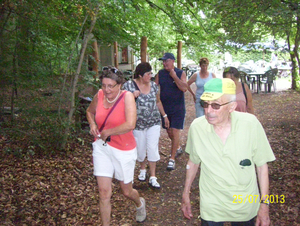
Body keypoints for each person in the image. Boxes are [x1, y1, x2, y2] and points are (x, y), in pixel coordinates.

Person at [181, 78, 275, 226]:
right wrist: (186, 193)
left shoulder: (251, 125)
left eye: (216, 105)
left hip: (245, 205)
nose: (208, 111)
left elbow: (262, 166)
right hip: (212, 206)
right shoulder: (197, 127)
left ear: (232, 107)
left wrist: (264, 204)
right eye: (205, 104)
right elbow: (193, 162)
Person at [86, 66, 146, 225]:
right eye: (104, 85)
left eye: (110, 86)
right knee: (104, 193)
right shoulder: (99, 95)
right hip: (102, 148)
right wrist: (92, 124)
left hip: (123, 149)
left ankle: (139, 203)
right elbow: (89, 112)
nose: (106, 90)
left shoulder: (127, 98)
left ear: (119, 85)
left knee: (126, 191)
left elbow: (130, 124)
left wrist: (108, 132)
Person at [123, 62, 169, 189]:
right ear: (140, 75)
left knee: (152, 148)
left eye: (150, 73)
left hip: (153, 122)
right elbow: (121, 103)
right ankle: (142, 169)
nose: (150, 76)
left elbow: (158, 101)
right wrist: (132, 96)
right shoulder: (128, 85)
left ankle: (153, 177)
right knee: (141, 149)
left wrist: (164, 116)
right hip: (137, 124)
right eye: (148, 74)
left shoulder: (154, 86)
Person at [155, 53, 188, 171]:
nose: (164, 63)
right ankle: (177, 147)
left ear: (173, 61)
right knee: (169, 132)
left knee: (174, 132)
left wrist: (174, 76)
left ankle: (172, 159)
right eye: (163, 61)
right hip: (165, 109)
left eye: (166, 61)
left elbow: (184, 88)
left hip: (178, 108)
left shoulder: (180, 73)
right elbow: (154, 87)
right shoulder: (160, 73)